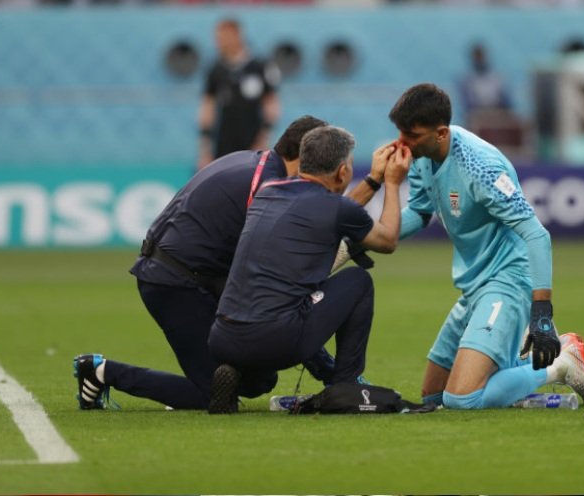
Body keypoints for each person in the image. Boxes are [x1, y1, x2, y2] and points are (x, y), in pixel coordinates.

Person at [72, 117, 396, 410]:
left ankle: (317, 376)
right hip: (176, 283)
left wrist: (370, 184)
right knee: (207, 394)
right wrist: (325, 368)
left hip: (184, 272)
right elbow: (291, 264)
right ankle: (102, 371)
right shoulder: (267, 186)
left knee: (259, 380)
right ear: (303, 156)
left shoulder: (259, 169)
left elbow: (324, 214)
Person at [388, 83, 584, 410]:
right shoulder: (422, 156)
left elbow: (537, 235)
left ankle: (561, 363)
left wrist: (541, 311)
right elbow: (419, 212)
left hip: (507, 280)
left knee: (461, 399)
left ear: (442, 133)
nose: (403, 143)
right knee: (434, 396)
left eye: (412, 135)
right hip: (474, 285)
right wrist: (374, 233)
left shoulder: (480, 167)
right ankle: (516, 370)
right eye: (401, 133)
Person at [207, 126, 412, 414]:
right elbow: (388, 239)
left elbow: (328, 210)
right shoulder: (337, 208)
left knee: (263, 371)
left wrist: (373, 179)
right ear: (342, 172)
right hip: (278, 339)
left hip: (223, 337)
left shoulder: (268, 191)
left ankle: (238, 375)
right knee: (357, 280)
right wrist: (392, 182)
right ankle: (345, 385)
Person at [197, 18, 281, 170]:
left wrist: (264, 138)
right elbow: (207, 107)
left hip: (253, 141)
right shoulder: (216, 69)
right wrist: (205, 149)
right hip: (223, 142)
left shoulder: (260, 66)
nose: (219, 43)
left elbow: (271, 104)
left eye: (223, 38)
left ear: (237, 36)